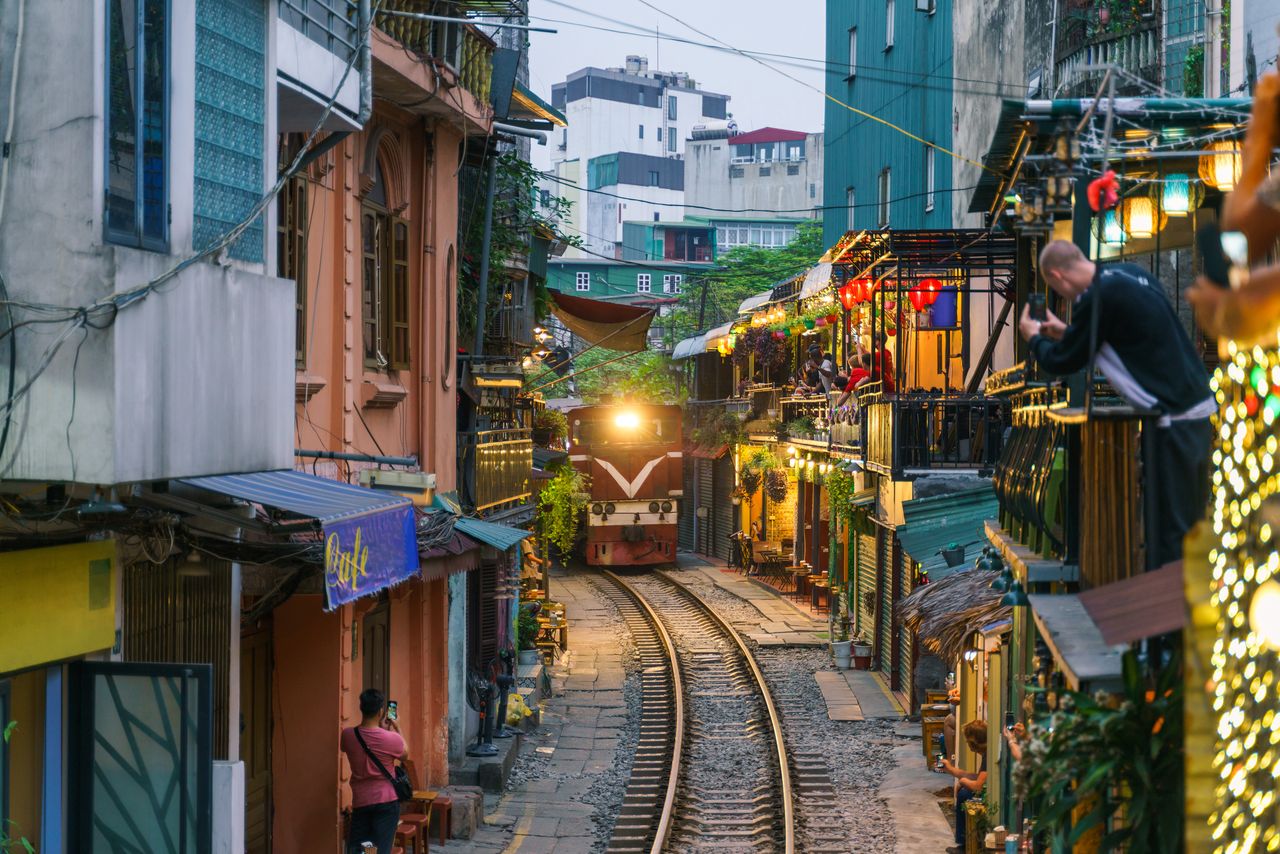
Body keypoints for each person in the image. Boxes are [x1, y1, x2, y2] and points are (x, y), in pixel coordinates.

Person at [1020, 239, 1213, 567]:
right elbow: (1127, 338)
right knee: (1192, 521)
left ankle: (1173, 612)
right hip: (1194, 408)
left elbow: (1063, 361)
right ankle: (1185, 605)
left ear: (1057, 275)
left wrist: (1034, 337)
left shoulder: (1095, 299)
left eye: (1059, 290)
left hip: (1172, 418)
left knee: (1170, 530)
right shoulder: (1128, 275)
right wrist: (1065, 331)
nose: (1066, 299)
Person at [341, 689, 409, 854]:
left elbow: (345, 747)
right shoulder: (390, 739)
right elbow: (405, 754)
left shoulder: (348, 735)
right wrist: (396, 726)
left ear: (361, 708)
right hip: (386, 803)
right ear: (380, 712)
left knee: (364, 846)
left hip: (361, 801)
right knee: (380, 849)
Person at [941, 719, 988, 853]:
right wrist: (951, 769)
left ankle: (964, 844)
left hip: (987, 795)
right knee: (965, 790)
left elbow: (978, 786)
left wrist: (962, 782)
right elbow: (977, 776)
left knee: (964, 794)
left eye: (967, 741)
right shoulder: (986, 754)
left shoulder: (988, 755)